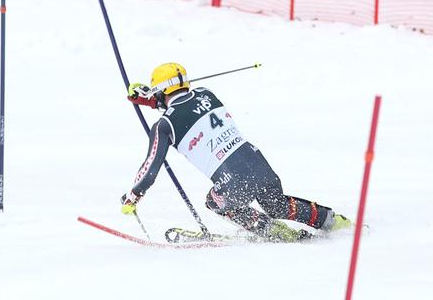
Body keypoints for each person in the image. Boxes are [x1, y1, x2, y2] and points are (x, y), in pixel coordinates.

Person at [121, 63, 352, 242]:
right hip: (256, 162)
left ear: (160, 92)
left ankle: (274, 232)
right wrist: (150, 99)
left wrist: (134, 195)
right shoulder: (206, 93)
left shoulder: (163, 126)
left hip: (232, 181)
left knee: (214, 202)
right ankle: (334, 222)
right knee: (277, 205)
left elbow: (151, 168)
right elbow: (182, 106)